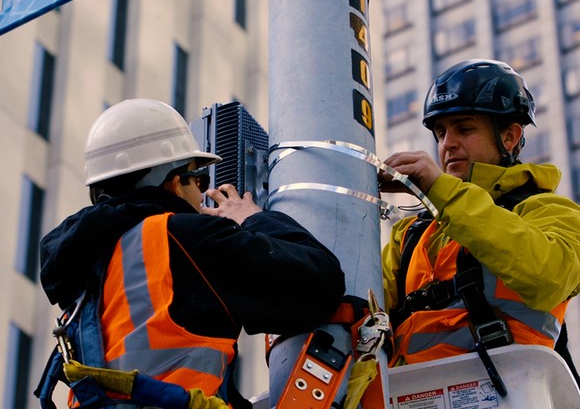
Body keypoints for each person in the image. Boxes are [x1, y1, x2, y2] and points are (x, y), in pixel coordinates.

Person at [38, 98, 345, 408]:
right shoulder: (183, 237)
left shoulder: (90, 264)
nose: (203, 194)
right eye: (199, 180)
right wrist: (251, 217)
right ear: (173, 183)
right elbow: (321, 282)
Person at [378, 59, 580, 370]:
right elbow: (362, 318)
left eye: (465, 128)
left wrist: (439, 188)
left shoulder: (553, 212)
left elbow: (547, 278)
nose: (448, 144)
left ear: (510, 137)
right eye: (441, 132)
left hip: (512, 395)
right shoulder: (409, 234)